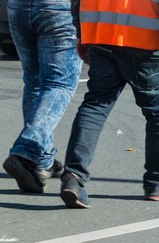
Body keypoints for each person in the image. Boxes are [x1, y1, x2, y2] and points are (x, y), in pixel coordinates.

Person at [60, 0, 159, 208]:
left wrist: (81, 32)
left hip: (100, 36)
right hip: (144, 40)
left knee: (95, 106)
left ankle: (73, 177)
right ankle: (155, 185)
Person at [3, 0, 83, 193]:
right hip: (59, 9)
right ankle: (26, 151)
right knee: (59, 84)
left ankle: (42, 159)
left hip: (19, 7)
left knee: (34, 83)